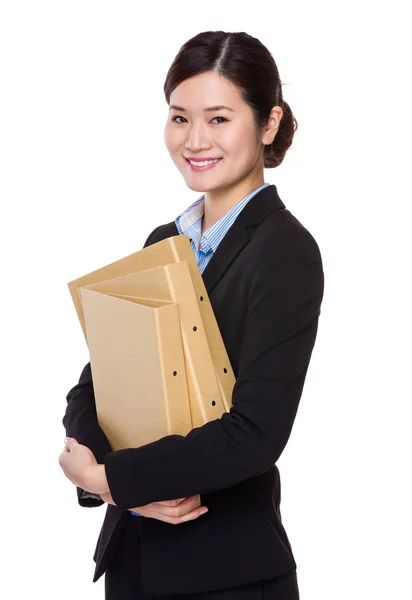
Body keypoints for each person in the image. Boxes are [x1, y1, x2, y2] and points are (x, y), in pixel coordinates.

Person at [59, 30, 324, 600]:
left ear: (269, 124)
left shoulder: (284, 251)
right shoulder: (163, 242)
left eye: (219, 118)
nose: (195, 140)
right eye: (180, 118)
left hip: (226, 574)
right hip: (134, 565)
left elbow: (255, 435)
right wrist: (109, 486)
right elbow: (93, 390)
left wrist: (113, 479)